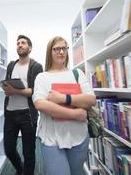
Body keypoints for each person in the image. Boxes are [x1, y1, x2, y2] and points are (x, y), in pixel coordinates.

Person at [33, 36, 96, 175]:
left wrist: (62, 98)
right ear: (50, 51)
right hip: (51, 139)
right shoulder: (42, 77)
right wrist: (75, 114)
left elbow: (91, 99)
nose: (61, 52)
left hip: (79, 137)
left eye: (64, 48)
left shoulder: (77, 74)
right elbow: (40, 104)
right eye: (57, 49)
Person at [2, 35, 43, 175]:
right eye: (18, 43)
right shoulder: (11, 65)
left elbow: (34, 90)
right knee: (8, 150)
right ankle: (20, 169)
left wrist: (15, 91)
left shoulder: (36, 66)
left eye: (23, 43)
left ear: (29, 48)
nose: (20, 45)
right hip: (10, 113)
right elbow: (8, 84)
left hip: (27, 114)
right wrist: (7, 89)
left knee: (29, 152)